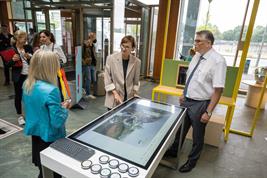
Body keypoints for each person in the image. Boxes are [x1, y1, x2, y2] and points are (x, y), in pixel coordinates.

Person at [165, 30, 227, 173]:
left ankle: (192, 161)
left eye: (199, 41)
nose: (195, 43)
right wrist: (183, 94)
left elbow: (218, 90)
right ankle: (174, 151)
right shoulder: (197, 56)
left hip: (201, 103)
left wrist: (208, 112)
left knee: (197, 135)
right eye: (195, 40)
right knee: (181, 129)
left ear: (209, 43)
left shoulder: (218, 61)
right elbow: (190, 78)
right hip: (187, 100)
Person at [23, 50, 70, 178]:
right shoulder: (52, 90)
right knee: (54, 173)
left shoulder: (27, 84)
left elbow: (32, 109)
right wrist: (64, 108)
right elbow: (57, 122)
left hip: (36, 136)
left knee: (43, 171)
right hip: (51, 139)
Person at [104, 35, 141, 109]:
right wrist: (115, 94)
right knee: (113, 119)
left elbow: (136, 82)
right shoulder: (111, 59)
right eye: (123, 46)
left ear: (132, 48)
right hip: (114, 98)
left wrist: (135, 93)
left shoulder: (137, 62)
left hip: (129, 98)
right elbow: (107, 78)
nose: (124, 49)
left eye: (127, 47)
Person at [6, 30, 33, 125]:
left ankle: (31, 113)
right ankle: (20, 115)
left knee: (31, 94)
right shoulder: (11, 49)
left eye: (26, 37)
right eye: (23, 37)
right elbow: (7, 64)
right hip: (19, 75)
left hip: (30, 74)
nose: (25, 39)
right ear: (17, 38)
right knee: (18, 95)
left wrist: (30, 57)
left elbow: (34, 59)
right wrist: (13, 60)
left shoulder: (28, 47)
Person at [39, 30, 67, 101]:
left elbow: (64, 59)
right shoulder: (42, 48)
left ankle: (61, 105)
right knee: (48, 91)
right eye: (40, 37)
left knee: (57, 90)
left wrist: (55, 62)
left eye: (44, 37)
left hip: (55, 73)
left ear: (49, 37)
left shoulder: (56, 47)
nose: (42, 39)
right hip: (45, 73)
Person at [82, 32, 97, 99]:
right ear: (91, 37)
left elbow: (93, 55)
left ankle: (87, 91)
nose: (95, 38)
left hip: (93, 64)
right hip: (87, 64)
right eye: (94, 36)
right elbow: (82, 54)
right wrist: (84, 62)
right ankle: (88, 93)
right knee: (88, 79)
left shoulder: (93, 45)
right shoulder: (85, 44)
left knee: (93, 79)